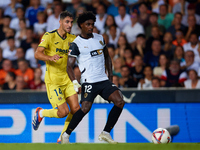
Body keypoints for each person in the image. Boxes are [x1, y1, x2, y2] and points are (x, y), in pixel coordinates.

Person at [61, 11, 125, 144]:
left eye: (92, 24)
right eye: (88, 24)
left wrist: (110, 77)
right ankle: (66, 135)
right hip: (88, 80)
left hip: (103, 79)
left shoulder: (100, 38)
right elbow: (69, 66)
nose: (91, 27)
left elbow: (107, 56)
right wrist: (74, 82)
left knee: (119, 101)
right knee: (85, 108)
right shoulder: (76, 43)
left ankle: (105, 133)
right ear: (81, 26)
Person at [32, 11, 80, 144]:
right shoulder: (49, 36)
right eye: (67, 22)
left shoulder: (72, 38)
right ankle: (41, 113)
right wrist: (49, 57)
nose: (70, 25)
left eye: (71, 22)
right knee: (63, 112)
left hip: (67, 79)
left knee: (76, 109)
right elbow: (37, 54)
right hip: (53, 81)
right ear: (60, 22)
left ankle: (63, 137)